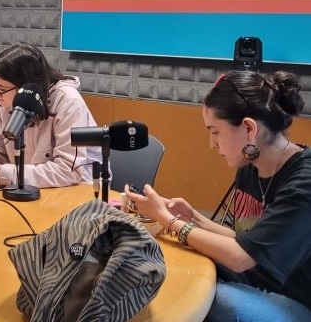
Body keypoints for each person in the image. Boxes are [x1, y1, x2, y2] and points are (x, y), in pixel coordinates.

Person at [127, 71, 311, 321]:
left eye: (215, 132)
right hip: (260, 281)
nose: (212, 144)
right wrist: (192, 218)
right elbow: (246, 240)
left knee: (209, 299)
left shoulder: (303, 184)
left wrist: (166, 219)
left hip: (299, 301)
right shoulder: (251, 163)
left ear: (249, 129)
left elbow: (240, 257)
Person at [0, 42, 100, 187]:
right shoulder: (3, 98)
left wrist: (5, 175)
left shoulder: (67, 101)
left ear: (26, 87)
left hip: (78, 189)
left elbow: (68, 171)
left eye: (1, 88)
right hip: (28, 185)